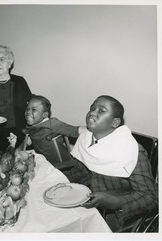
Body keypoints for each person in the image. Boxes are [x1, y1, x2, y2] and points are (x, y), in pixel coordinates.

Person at [63, 95, 158, 232]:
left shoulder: (130, 150)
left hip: (113, 214)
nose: (92, 113)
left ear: (115, 122)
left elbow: (150, 197)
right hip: (85, 201)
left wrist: (114, 202)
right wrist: (59, 179)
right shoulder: (85, 138)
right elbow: (82, 171)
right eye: (92, 108)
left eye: (101, 110)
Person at [17, 95, 85, 169]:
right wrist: (19, 149)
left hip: (61, 164)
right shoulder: (33, 127)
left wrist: (95, 129)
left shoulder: (52, 124)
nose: (28, 112)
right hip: (43, 162)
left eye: (34, 110)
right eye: (27, 109)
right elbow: (28, 141)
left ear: (45, 114)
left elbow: (74, 131)